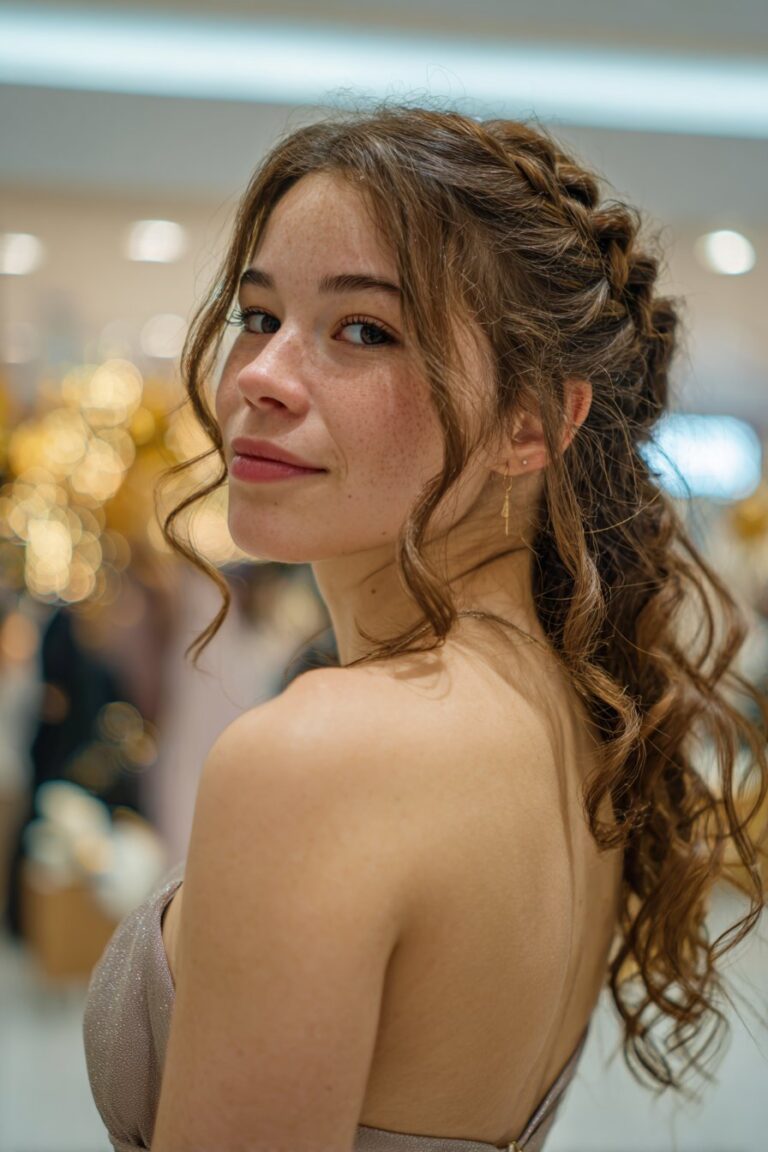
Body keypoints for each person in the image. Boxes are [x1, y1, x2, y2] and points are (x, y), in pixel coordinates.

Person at [83, 104, 767, 1152]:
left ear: (532, 423)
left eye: (364, 331)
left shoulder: (321, 759)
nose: (260, 377)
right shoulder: (572, 714)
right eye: (259, 317)